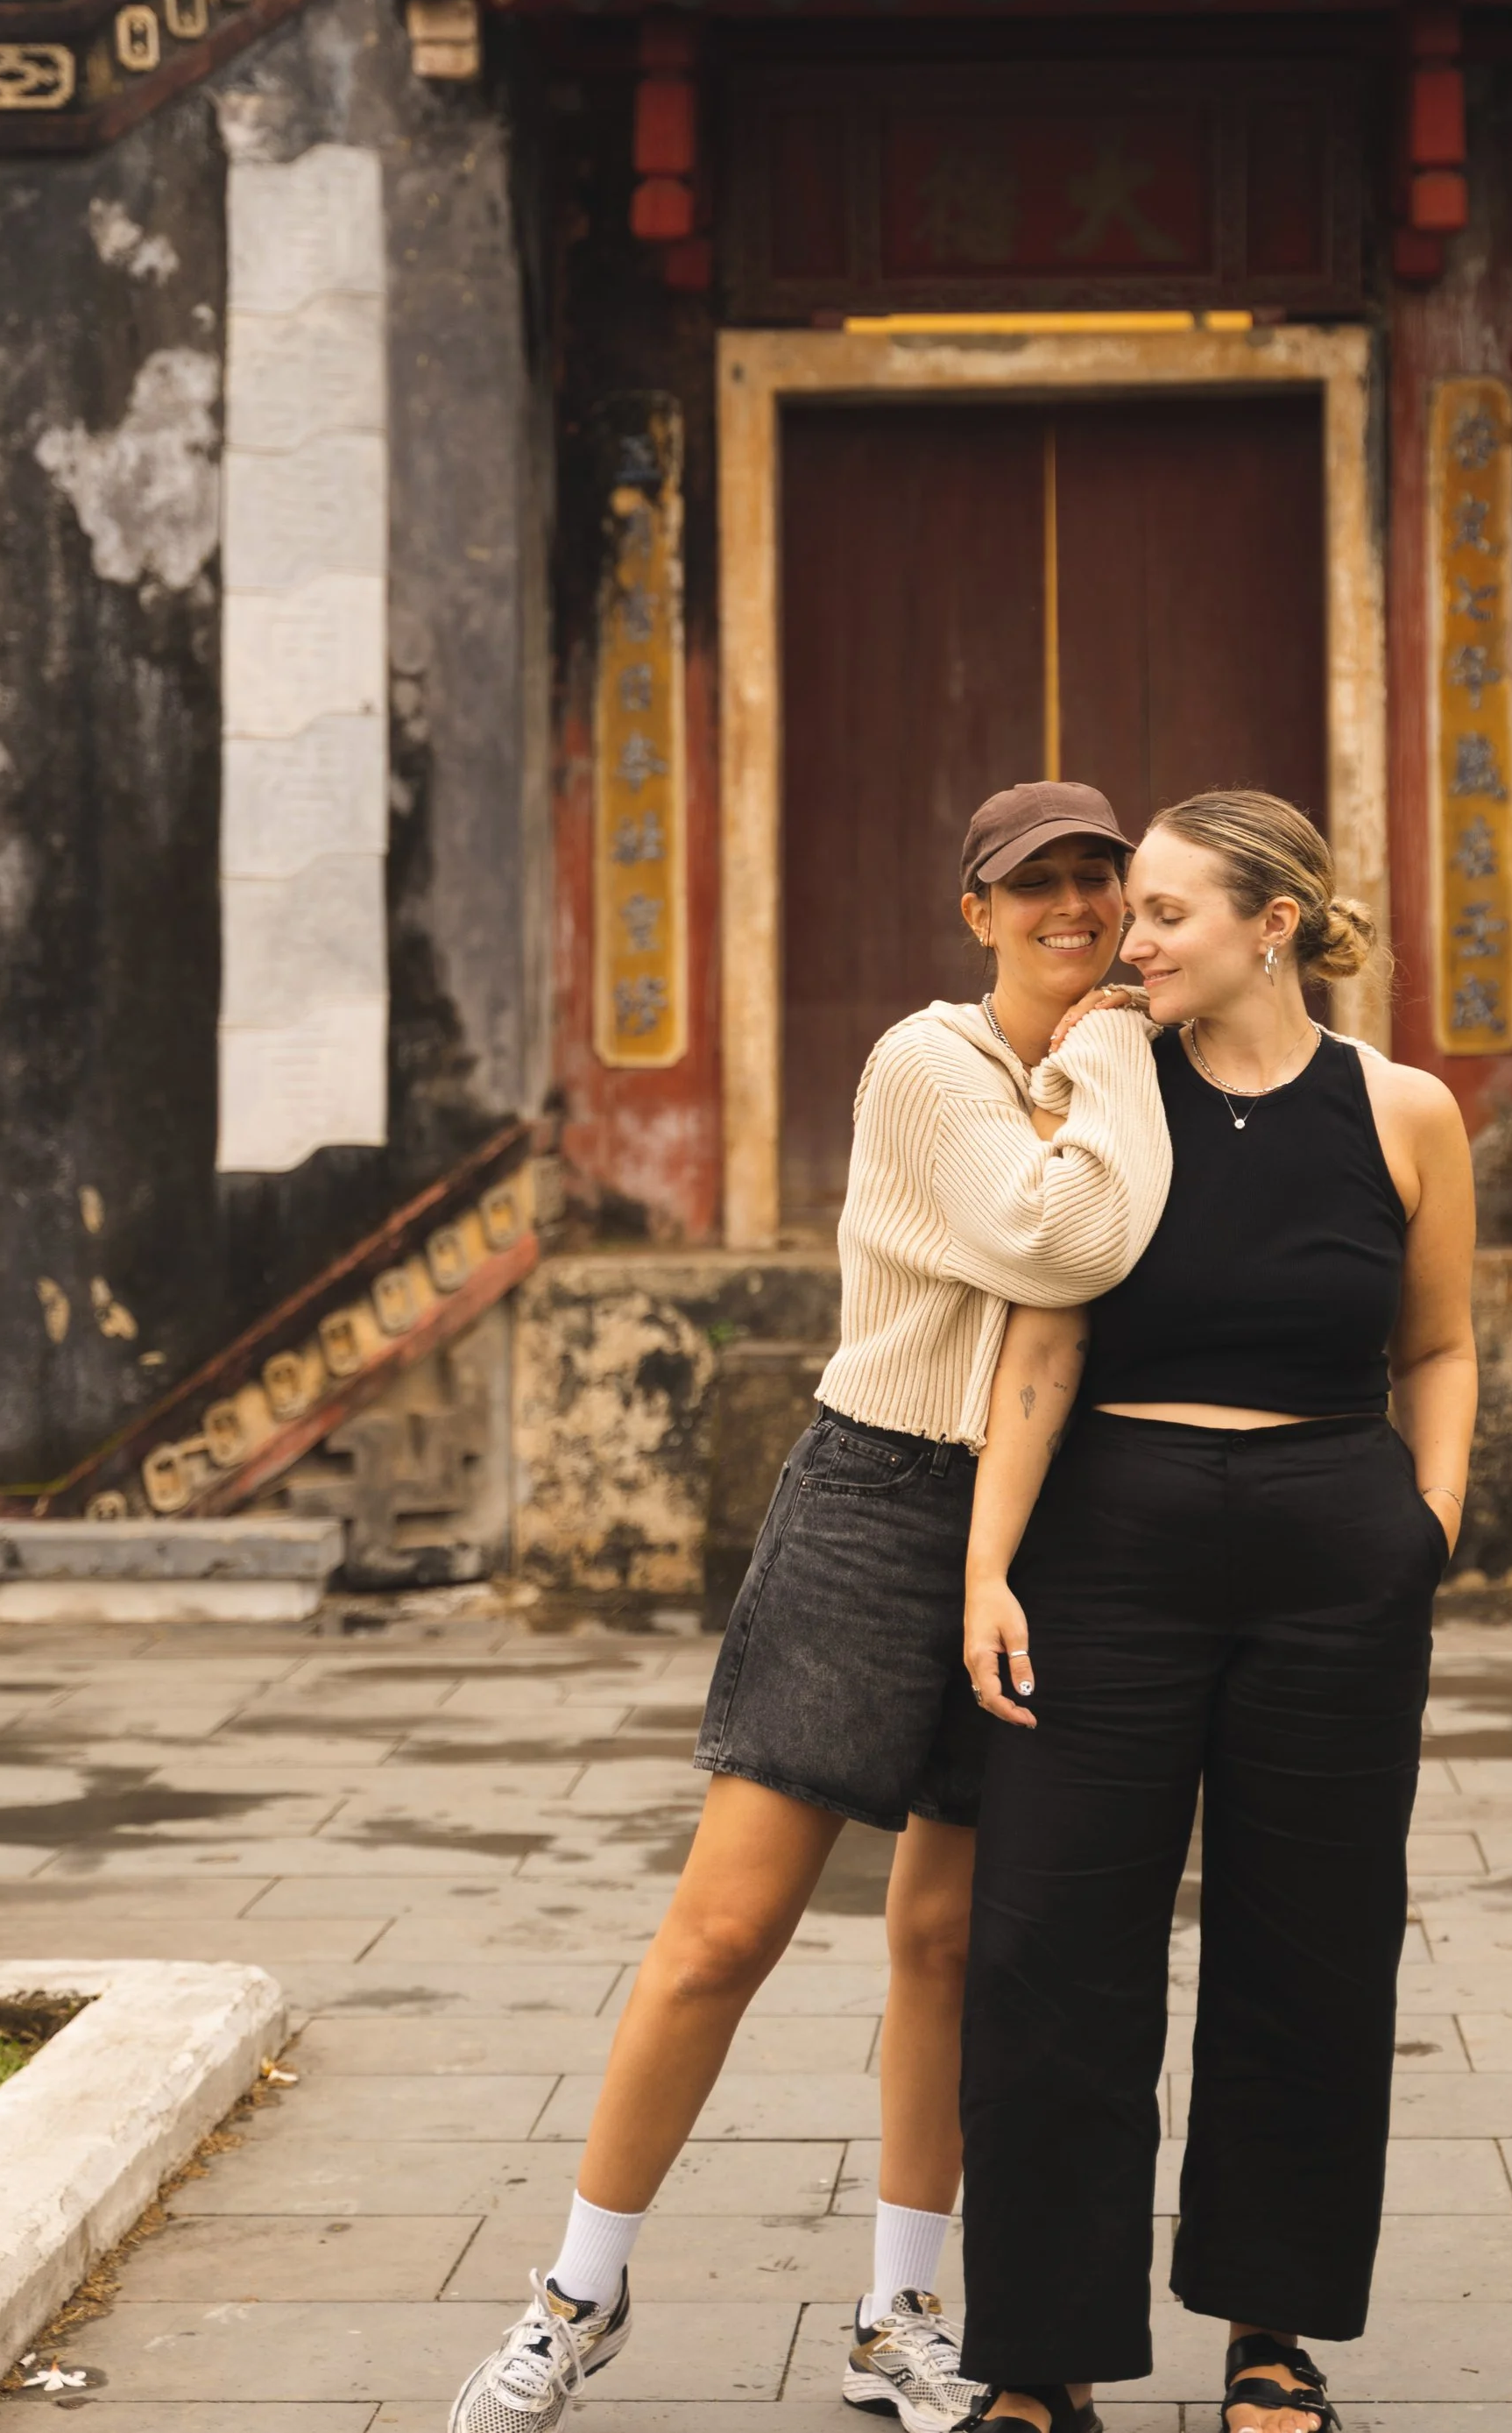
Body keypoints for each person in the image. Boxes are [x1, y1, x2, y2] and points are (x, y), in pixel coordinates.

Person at [449, 781, 1172, 2433]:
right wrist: (1121, 1058)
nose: (1075, 910)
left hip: (1053, 1531)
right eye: (1035, 887)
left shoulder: (1146, 1071)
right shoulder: (933, 1063)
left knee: (947, 1942)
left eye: (1099, 881)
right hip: (880, 1505)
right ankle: (579, 2289)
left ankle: (899, 2312)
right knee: (724, 1932)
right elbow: (1056, 1247)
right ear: (976, 913)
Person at [957, 787, 1479, 2433]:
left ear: (1277, 926)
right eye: (1135, 910)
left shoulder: (1405, 1113)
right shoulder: (1110, 1085)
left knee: (1312, 1949)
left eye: (1169, 910)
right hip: (1109, 1549)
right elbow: (1042, 1343)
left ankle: (1275, 2331)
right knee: (1051, 1947)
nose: (1131, 934)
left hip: (1336, 1556)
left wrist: (1425, 1528)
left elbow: (1443, 1346)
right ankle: (1043, 2356)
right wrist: (987, 1566)